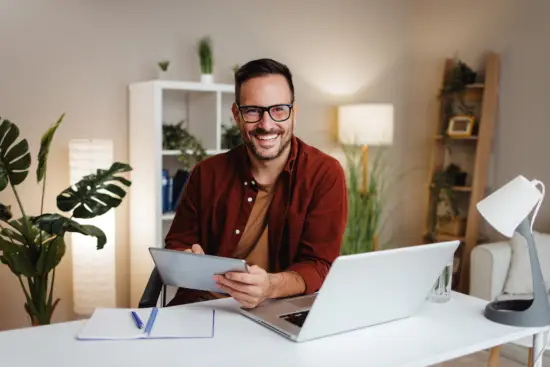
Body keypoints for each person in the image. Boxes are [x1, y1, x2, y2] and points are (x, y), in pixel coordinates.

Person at [164, 58, 348, 309]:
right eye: (253, 111)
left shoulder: (325, 173)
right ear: (236, 116)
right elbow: (177, 244)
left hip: (283, 309)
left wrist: (271, 286)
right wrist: (184, 259)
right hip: (204, 307)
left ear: (294, 113)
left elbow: (319, 264)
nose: (266, 124)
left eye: (279, 109)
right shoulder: (206, 173)